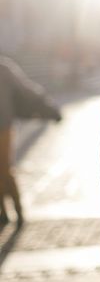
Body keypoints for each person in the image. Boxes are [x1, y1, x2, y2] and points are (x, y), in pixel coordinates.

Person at [0, 56, 62, 226]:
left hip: (2, 128)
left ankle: (17, 212)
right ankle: (3, 212)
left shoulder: (3, 68)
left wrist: (49, 108)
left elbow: (27, 90)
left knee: (4, 170)